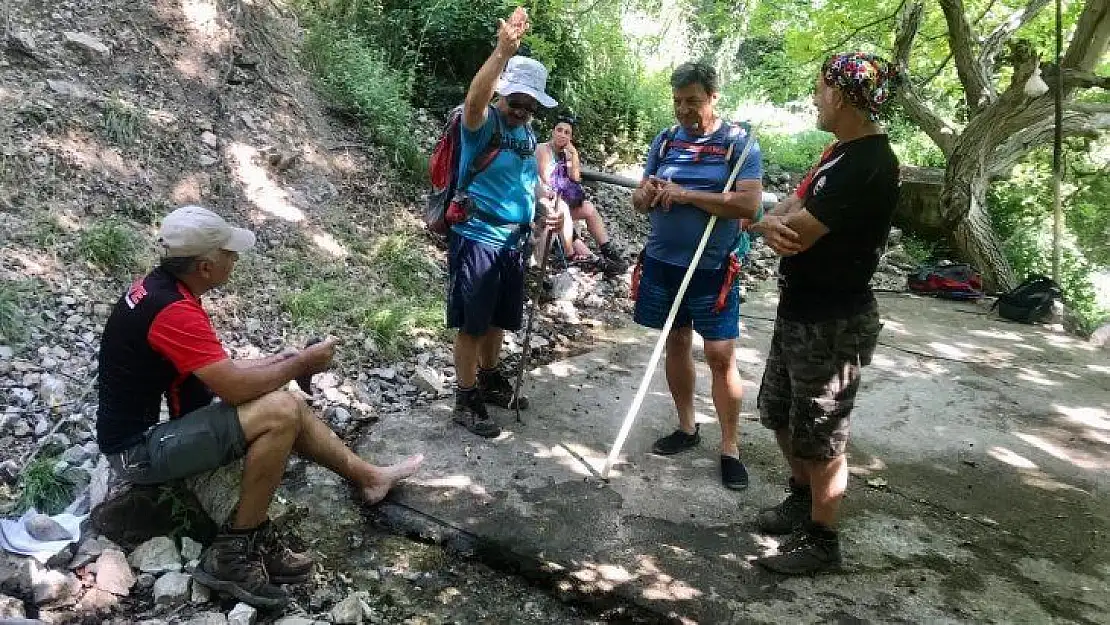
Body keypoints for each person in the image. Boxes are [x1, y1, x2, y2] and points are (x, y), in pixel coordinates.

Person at [95, 205, 424, 608]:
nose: (235, 260)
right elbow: (233, 388)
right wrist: (300, 364)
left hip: (152, 433)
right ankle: (231, 556)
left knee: (284, 405)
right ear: (204, 266)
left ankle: (368, 477)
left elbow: (219, 371)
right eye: (229, 254)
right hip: (137, 452)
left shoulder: (162, 289)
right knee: (280, 411)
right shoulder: (174, 312)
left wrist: (282, 361)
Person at [750, 52, 902, 575]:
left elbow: (794, 235)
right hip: (801, 308)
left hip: (834, 321)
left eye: (819, 88)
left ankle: (823, 539)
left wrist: (768, 227)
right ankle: (800, 498)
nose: (814, 97)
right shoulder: (838, 152)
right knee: (778, 411)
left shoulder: (870, 163)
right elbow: (788, 211)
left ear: (840, 94)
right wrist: (770, 223)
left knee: (822, 432)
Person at [630, 62, 764, 490]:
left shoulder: (738, 144)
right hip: (663, 261)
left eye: (693, 101)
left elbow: (748, 206)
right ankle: (687, 427)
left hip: (711, 268)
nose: (684, 110)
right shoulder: (666, 140)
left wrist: (686, 195)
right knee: (676, 341)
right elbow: (638, 199)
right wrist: (647, 194)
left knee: (721, 354)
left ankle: (730, 447)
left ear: (713, 98)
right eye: (677, 102)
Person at [448, 7, 561, 438]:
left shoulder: (527, 135)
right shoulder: (482, 121)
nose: (520, 111)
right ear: (504, 95)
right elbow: (475, 98)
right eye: (516, 102)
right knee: (473, 323)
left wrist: (542, 210)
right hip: (477, 237)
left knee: (498, 319)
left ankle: (490, 377)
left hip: (511, 242)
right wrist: (501, 52)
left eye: (529, 107)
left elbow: (527, 181)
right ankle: (465, 395)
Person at [536, 116, 628, 275]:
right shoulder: (543, 150)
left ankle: (608, 250)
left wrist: (574, 155)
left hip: (559, 200)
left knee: (589, 209)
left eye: (567, 133)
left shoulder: (567, 154)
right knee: (563, 210)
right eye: (559, 130)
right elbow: (545, 179)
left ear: (570, 138)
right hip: (542, 200)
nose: (562, 135)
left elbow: (575, 178)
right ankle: (585, 258)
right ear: (553, 132)